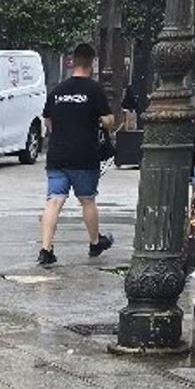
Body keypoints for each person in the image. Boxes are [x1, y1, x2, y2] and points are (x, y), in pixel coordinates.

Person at [37, 42, 115, 267]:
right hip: (84, 155)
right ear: (91, 63)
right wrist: (100, 121)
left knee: (54, 201)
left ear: (72, 62)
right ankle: (94, 242)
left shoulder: (58, 91)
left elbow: (48, 122)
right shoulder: (94, 90)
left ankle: (46, 249)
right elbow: (109, 121)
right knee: (87, 200)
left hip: (58, 155)